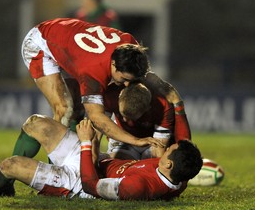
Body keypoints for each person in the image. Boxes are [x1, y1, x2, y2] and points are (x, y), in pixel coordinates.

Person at [0, 115, 203, 200]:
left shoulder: (139, 187)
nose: (164, 149)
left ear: (168, 163)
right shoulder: (175, 173)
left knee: (9, 165)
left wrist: (85, 144)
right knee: (35, 123)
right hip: (92, 157)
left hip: (77, 182)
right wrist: (94, 146)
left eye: (168, 151)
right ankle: (4, 186)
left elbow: (92, 186)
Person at [21, 18, 160, 148]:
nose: (126, 84)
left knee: (79, 109)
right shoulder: (93, 72)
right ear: (113, 64)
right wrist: (135, 140)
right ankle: (57, 166)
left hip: (66, 37)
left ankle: (77, 158)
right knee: (64, 109)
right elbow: (96, 118)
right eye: (124, 79)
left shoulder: (131, 46)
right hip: (40, 42)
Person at [102, 74, 192, 160]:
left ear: (147, 109)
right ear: (119, 97)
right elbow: (97, 130)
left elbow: (159, 151)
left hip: (152, 140)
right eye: (123, 115)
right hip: (124, 138)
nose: (125, 120)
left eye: (131, 118)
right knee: (121, 166)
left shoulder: (162, 105)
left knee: (155, 165)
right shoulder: (111, 94)